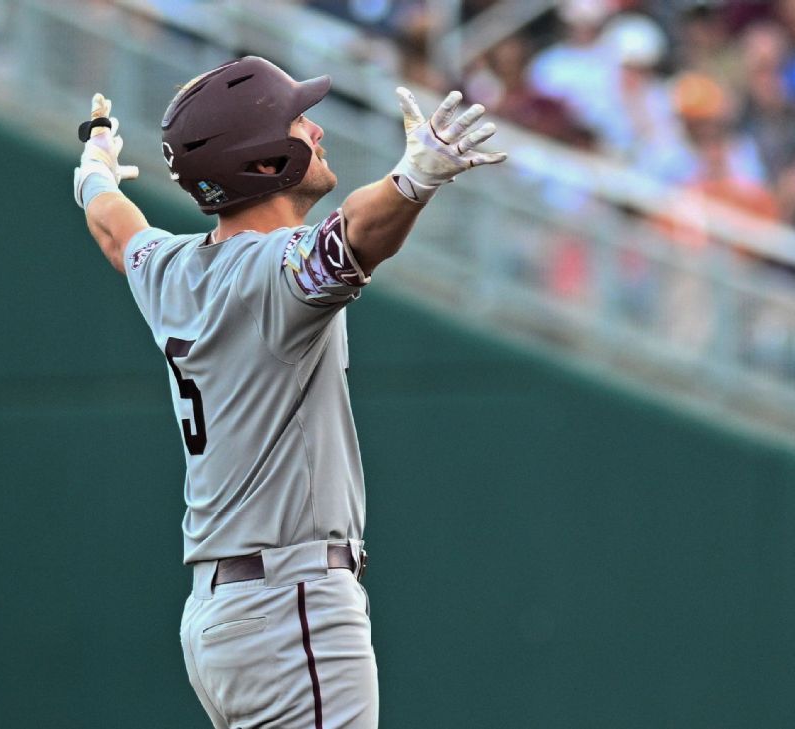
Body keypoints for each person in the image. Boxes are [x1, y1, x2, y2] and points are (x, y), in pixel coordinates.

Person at [71, 56, 506, 729]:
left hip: (223, 616)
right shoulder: (271, 270)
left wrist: (93, 170)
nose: (318, 131)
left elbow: (113, 227)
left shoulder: (172, 268)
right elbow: (356, 234)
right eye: (299, 121)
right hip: (289, 604)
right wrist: (414, 178)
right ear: (266, 160)